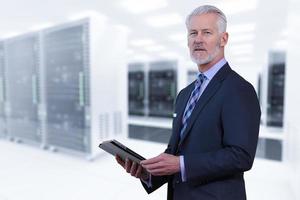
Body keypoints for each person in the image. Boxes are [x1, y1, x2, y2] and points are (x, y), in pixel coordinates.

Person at [116, 5, 261, 200]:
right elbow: (175, 153)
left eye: (207, 32)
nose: (198, 39)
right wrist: (148, 173)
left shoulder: (239, 89)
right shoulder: (185, 94)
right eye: (193, 33)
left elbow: (241, 156)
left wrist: (182, 164)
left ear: (223, 39)